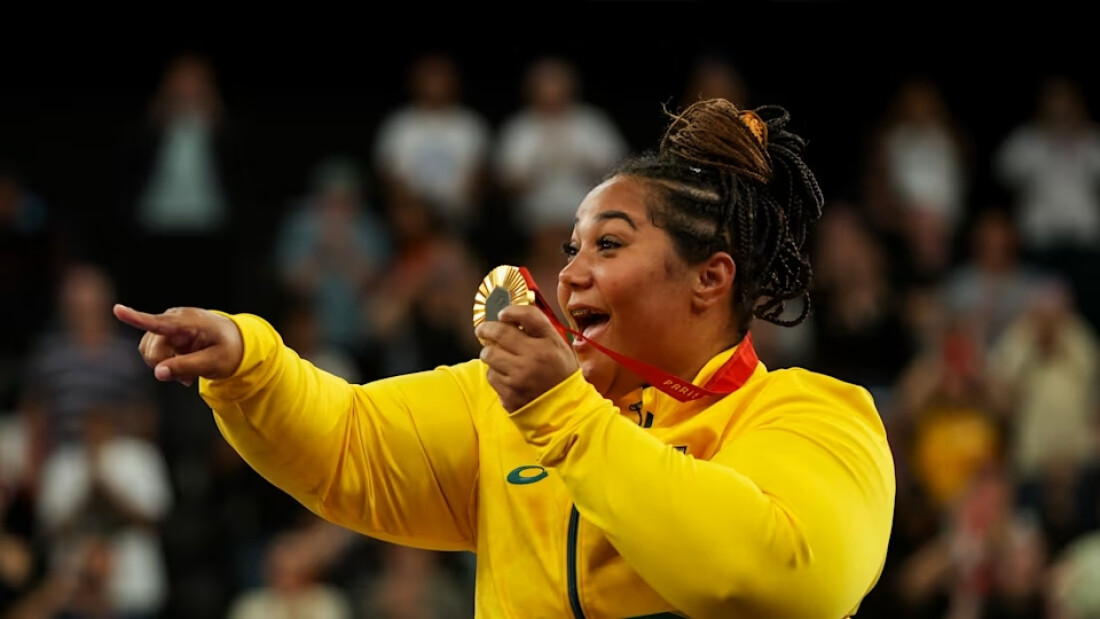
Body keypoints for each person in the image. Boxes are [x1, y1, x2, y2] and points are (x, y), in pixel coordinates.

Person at [113, 98, 896, 618]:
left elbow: (786, 575)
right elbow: (348, 442)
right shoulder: (507, 409)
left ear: (709, 277)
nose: (571, 272)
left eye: (610, 244)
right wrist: (248, 359)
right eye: (571, 247)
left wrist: (566, 417)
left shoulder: (815, 416)